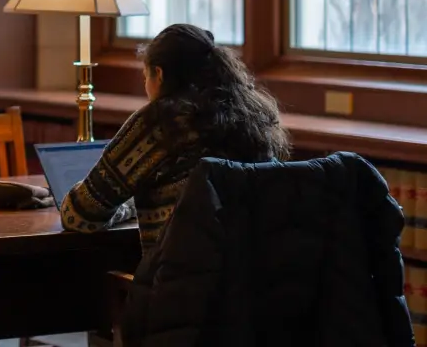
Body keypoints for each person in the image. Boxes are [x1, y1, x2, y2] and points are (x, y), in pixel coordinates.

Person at [60, 22, 290, 255]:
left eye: (145, 76)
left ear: (158, 74)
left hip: (181, 285)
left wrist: (124, 208)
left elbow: (79, 215)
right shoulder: (254, 118)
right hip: (259, 283)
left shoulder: (160, 122)